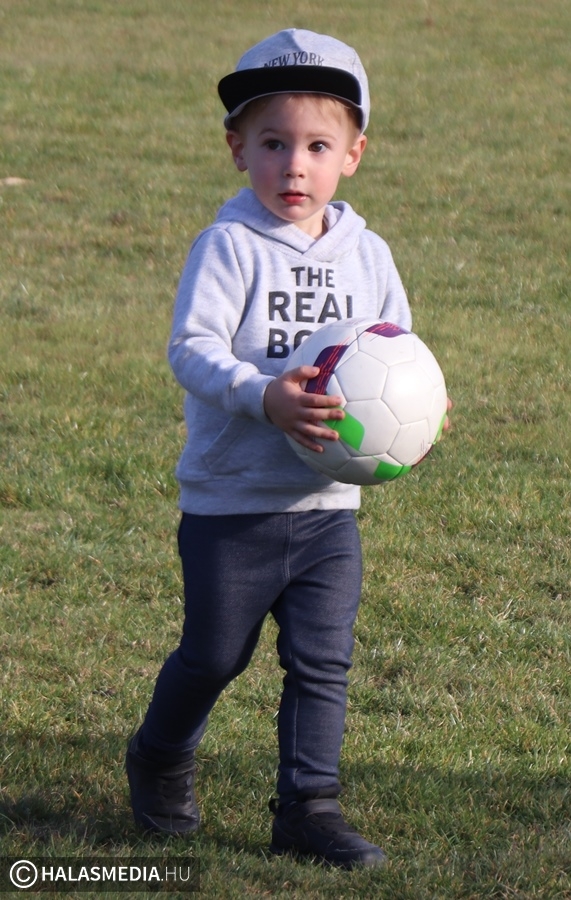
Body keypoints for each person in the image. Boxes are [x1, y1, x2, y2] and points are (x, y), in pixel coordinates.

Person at [126, 28, 414, 870]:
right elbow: (191, 348)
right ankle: (159, 756)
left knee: (322, 663)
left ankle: (308, 809)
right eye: (272, 143)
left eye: (317, 147)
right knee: (215, 656)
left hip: (327, 507)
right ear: (236, 149)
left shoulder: (368, 255)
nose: (294, 166)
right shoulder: (228, 246)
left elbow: (400, 351)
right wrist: (265, 396)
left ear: (352, 155)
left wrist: (422, 410)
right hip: (232, 502)